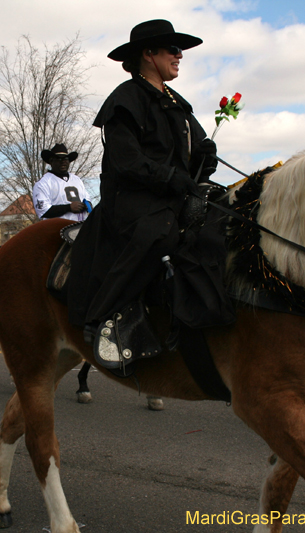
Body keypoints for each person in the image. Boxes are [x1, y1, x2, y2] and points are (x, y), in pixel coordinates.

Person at [66, 20, 218, 366]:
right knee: (160, 236)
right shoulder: (125, 100)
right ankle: (100, 315)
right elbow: (127, 161)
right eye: (172, 49)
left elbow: (194, 155)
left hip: (171, 196)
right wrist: (171, 178)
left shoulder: (176, 102)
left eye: (179, 49)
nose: (179, 55)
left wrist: (205, 158)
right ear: (148, 55)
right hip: (133, 201)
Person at [33, 143, 92, 222]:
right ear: (51, 161)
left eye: (66, 159)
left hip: (80, 228)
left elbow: (87, 199)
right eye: (59, 159)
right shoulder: (43, 183)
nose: (63, 162)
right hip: (57, 230)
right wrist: (69, 208)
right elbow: (43, 211)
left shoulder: (77, 180)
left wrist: (87, 205)